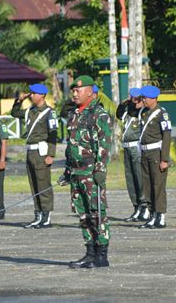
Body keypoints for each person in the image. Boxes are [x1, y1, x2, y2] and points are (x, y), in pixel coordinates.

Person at [60, 75, 112, 269]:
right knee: (82, 215)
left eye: (78, 90)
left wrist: (100, 170)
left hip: (91, 172)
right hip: (76, 172)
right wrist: (67, 169)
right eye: (73, 91)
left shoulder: (98, 114)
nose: (74, 93)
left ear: (90, 91)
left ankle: (102, 254)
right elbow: (70, 144)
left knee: (98, 213)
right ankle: (89, 252)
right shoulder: (74, 114)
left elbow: (104, 144)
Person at [11, 84, 57, 228]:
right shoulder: (30, 110)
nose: (31, 96)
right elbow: (14, 113)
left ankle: (46, 216)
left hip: (41, 151)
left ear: (42, 95)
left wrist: (51, 154)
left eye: (34, 94)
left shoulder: (49, 112)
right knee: (34, 184)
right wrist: (19, 101)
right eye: (31, 93)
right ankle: (38, 215)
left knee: (43, 184)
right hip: (31, 151)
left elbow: (53, 135)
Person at [138, 85, 172, 229]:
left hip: (156, 154)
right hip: (145, 153)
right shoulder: (143, 112)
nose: (143, 100)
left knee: (158, 185)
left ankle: (161, 216)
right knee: (148, 185)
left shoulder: (161, 114)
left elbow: (167, 136)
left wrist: (164, 159)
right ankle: (152, 215)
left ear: (153, 98)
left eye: (145, 97)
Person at [116, 88, 149, 222]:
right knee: (130, 179)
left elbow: (138, 112)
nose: (134, 100)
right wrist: (125, 102)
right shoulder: (129, 110)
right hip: (127, 149)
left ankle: (145, 206)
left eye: (136, 98)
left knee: (139, 178)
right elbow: (119, 114)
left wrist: (138, 103)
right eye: (132, 98)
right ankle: (136, 207)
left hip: (136, 147)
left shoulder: (143, 111)